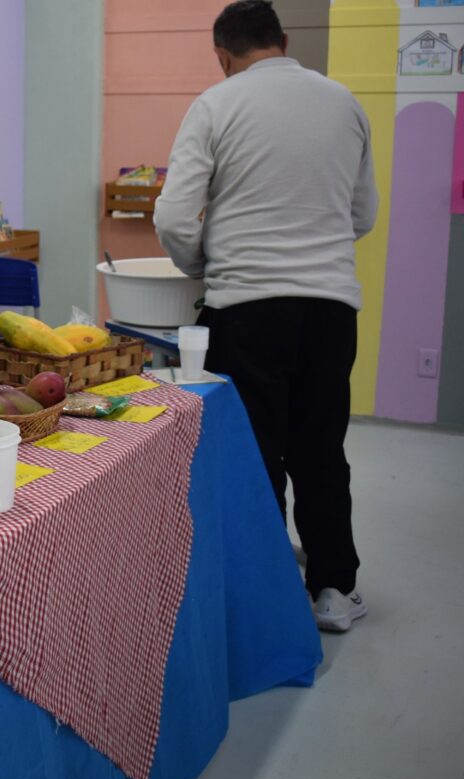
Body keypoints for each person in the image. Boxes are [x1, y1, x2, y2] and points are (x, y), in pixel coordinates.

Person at [154, 0, 378, 632]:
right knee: (321, 446)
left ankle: (266, 587)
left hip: (247, 309)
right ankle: (334, 589)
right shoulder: (343, 101)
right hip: (332, 308)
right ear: (282, 40)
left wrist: (205, 261)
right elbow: (363, 215)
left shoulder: (216, 104)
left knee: (256, 450)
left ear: (222, 55)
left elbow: (173, 218)